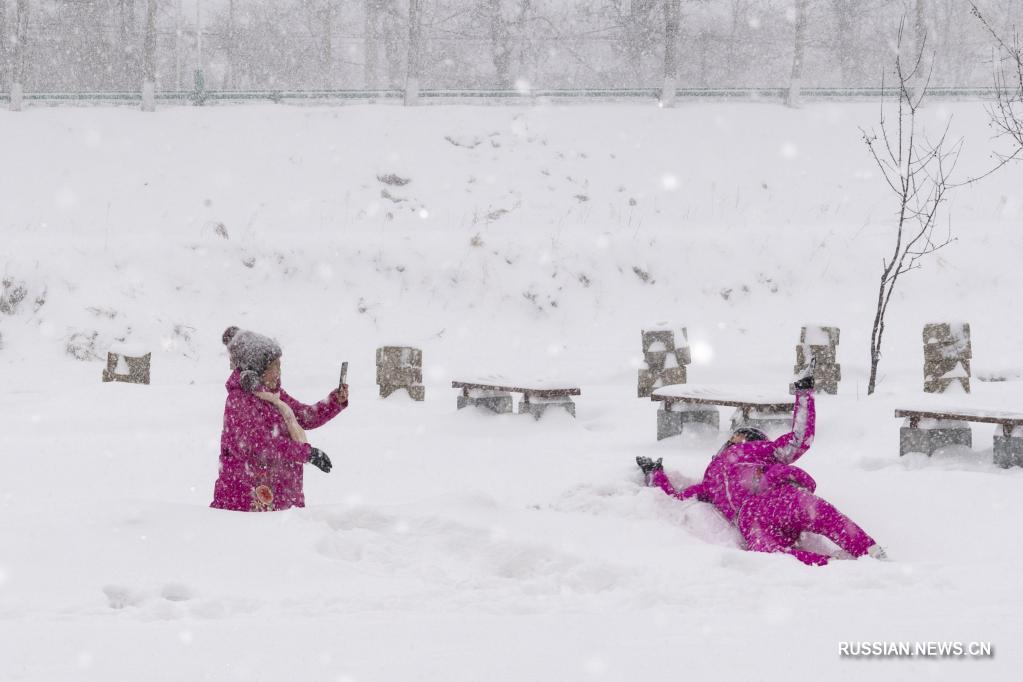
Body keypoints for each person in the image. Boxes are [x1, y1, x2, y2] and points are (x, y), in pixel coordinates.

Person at [636, 372, 885, 566]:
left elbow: (800, 438)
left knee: (827, 517)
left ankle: (873, 553)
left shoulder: (760, 451)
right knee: (771, 556)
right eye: (734, 438)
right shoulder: (710, 482)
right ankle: (833, 566)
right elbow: (678, 497)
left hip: (780, 498)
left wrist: (804, 393)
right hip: (753, 517)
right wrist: (654, 473)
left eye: (742, 437)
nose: (736, 442)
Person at [211, 326, 349, 512]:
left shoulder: (274, 396)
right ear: (255, 371)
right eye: (273, 367)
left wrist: (335, 401)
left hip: (278, 496)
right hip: (246, 503)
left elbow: (305, 416)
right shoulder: (240, 401)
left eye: (279, 366)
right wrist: (306, 453)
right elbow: (260, 445)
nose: (278, 372)